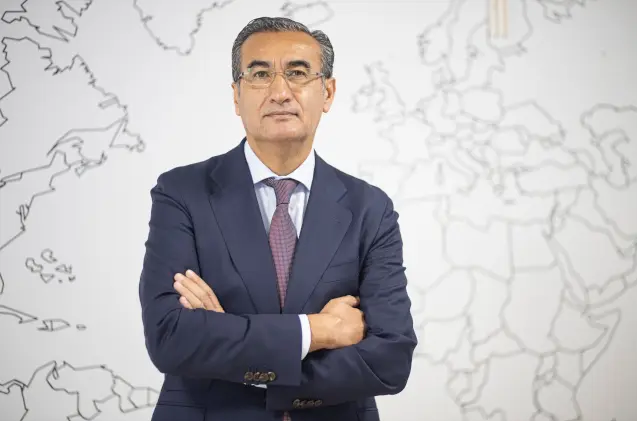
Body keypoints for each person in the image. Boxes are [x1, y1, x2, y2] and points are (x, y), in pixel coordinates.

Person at [138, 16, 417, 421]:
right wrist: (319, 330)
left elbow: (390, 358)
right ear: (236, 96)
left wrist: (238, 351)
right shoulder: (182, 193)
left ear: (327, 92)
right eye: (260, 74)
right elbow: (171, 337)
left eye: (298, 73)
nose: (280, 92)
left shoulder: (370, 208)